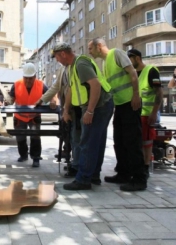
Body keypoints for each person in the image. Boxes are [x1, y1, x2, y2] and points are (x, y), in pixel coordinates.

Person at [52, 42, 113, 190]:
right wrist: (66, 111)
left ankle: (83, 179)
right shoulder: (72, 67)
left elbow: (96, 85)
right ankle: (93, 176)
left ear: (63, 54)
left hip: (99, 106)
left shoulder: (80, 63)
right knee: (95, 142)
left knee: (87, 142)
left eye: (57, 58)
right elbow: (72, 89)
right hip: (100, 105)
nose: (57, 61)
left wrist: (90, 111)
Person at [88, 38, 147, 191]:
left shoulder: (116, 54)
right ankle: (123, 173)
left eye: (90, 48)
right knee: (119, 141)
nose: (89, 52)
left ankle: (139, 178)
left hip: (130, 103)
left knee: (132, 141)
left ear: (99, 46)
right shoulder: (105, 63)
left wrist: (135, 95)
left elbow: (133, 72)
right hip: (119, 105)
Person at [35, 63, 82, 177]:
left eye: (56, 56)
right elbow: (56, 87)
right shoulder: (62, 69)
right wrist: (42, 100)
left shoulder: (75, 66)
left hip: (77, 108)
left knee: (77, 139)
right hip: (69, 108)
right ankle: (75, 164)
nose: (55, 60)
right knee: (71, 138)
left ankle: (78, 168)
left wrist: (65, 110)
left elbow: (71, 89)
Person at [128, 48, 163, 176]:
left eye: (130, 59)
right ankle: (136, 166)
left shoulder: (151, 71)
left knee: (146, 142)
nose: (129, 62)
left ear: (137, 58)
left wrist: (154, 113)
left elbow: (159, 93)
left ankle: (145, 167)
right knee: (135, 142)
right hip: (134, 114)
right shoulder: (131, 73)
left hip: (146, 114)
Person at [8, 63, 48, 168]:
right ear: (23, 77)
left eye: (31, 78)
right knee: (20, 138)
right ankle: (23, 155)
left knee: (35, 137)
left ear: (35, 76)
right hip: (20, 116)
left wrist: (52, 101)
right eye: (26, 78)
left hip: (34, 116)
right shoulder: (16, 85)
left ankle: (35, 158)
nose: (28, 81)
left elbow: (50, 95)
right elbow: (11, 99)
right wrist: (7, 102)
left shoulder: (41, 85)